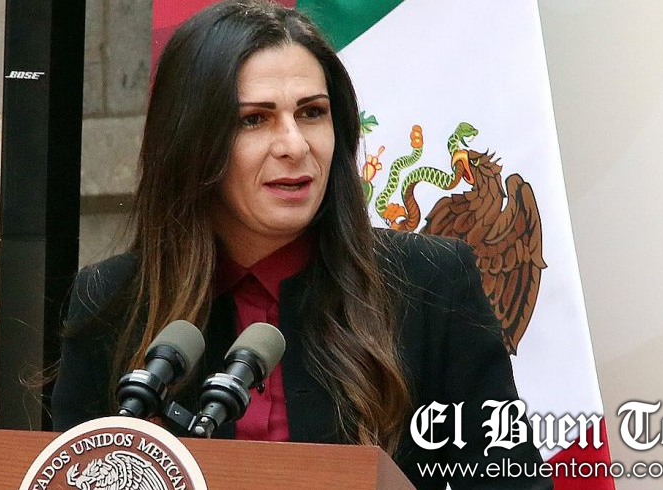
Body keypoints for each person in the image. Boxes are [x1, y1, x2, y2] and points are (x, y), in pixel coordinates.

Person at [52, 1, 552, 489]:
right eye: (254, 119)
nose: (294, 144)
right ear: (192, 140)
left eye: (312, 113)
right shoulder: (113, 300)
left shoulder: (431, 282)